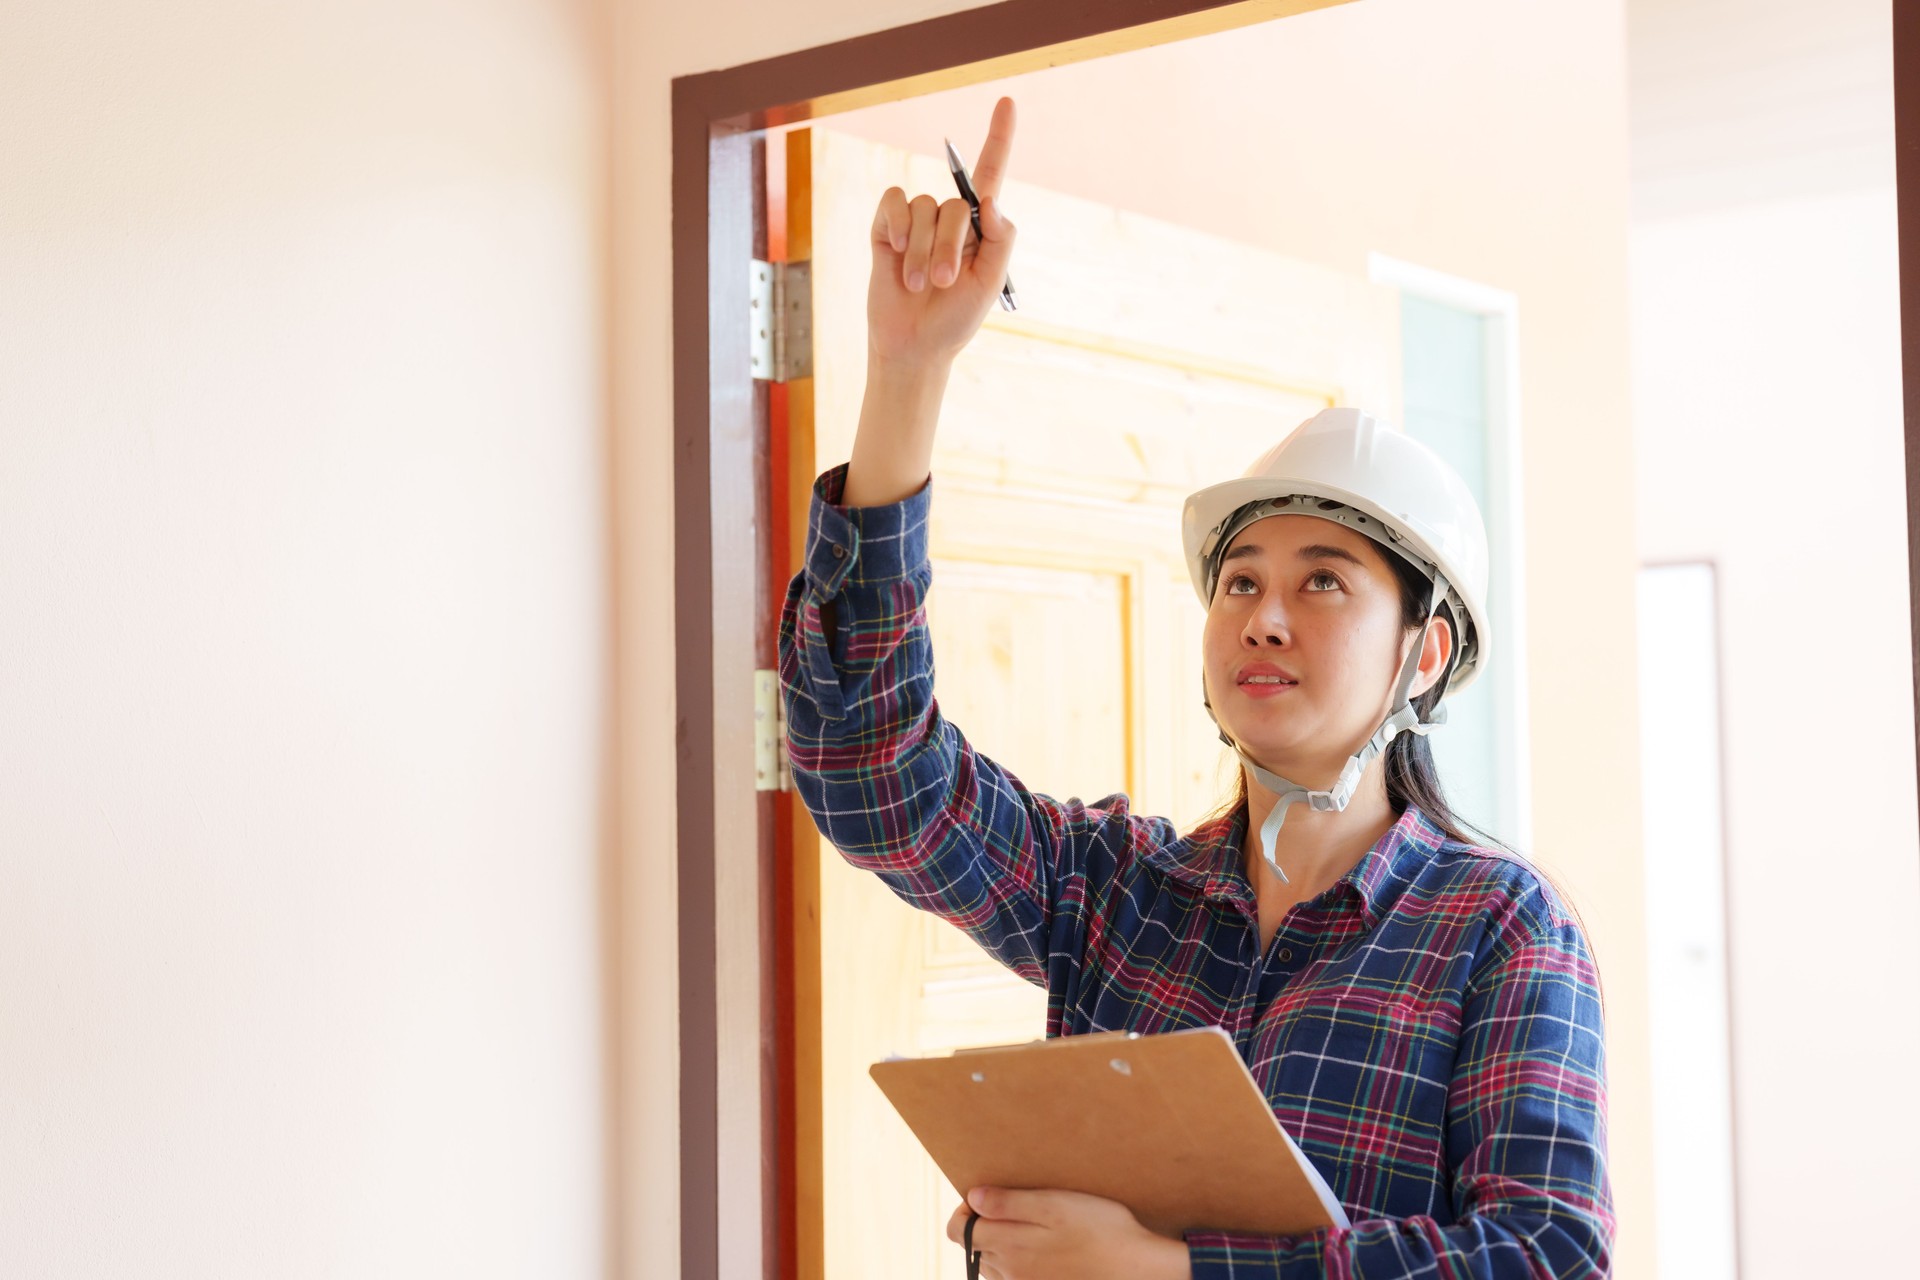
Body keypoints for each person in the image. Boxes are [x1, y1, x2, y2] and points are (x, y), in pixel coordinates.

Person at [776, 95, 1614, 1280]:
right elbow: (873, 775)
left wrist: (1172, 1270)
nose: (1262, 615)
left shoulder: (1501, 931)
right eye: (1239, 581)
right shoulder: (1116, 890)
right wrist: (906, 376)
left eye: (1324, 583)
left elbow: (1547, 1256)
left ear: (1423, 655)